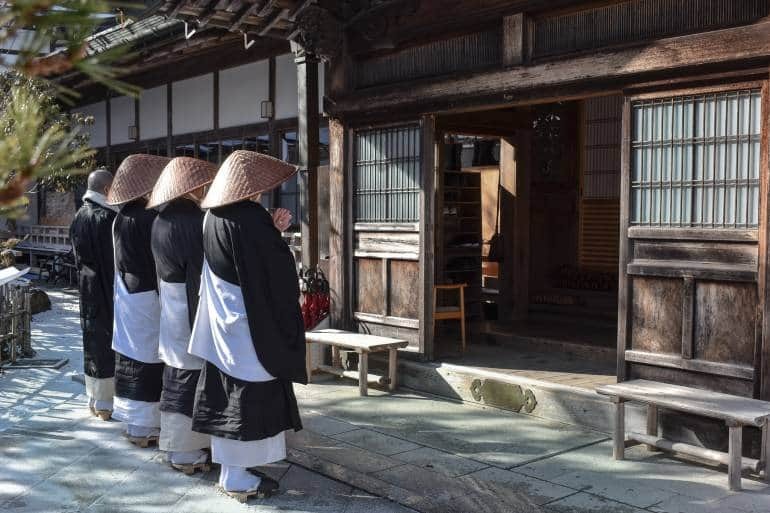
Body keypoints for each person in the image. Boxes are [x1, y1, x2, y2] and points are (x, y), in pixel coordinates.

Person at [189, 150, 305, 501]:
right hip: (250, 326)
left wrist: (272, 230)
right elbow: (277, 271)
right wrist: (276, 236)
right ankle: (237, 478)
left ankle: (231, 470)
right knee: (249, 399)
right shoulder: (250, 218)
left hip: (224, 320)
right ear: (252, 189)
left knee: (227, 395)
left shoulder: (212, 216)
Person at [146, 157, 217, 474]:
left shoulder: (160, 219)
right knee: (190, 375)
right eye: (203, 185)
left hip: (169, 299)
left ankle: (175, 444)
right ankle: (186, 452)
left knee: (175, 373)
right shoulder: (191, 221)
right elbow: (197, 275)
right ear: (192, 188)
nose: (206, 189)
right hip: (187, 304)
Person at [106, 154, 171, 447]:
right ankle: (146, 427)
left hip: (126, 291)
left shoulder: (121, 216)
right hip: (147, 295)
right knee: (148, 358)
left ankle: (134, 425)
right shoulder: (150, 218)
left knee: (131, 357)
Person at [70, 168, 118, 420]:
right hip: (107, 288)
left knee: (92, 341)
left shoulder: (79, 216)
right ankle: (105, 404)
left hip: (86, 289)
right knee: (107, 343)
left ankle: (95, 398)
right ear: (107, 190)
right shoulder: (106, 218)